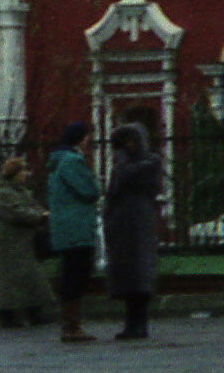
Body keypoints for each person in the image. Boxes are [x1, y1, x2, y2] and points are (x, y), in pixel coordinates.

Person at [101, 123, 162, 341]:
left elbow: (125, 177)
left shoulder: (146, 163)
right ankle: (132, 323)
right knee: (128, 277)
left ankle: (138, 324)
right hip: (123, 228)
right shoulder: (129, 164)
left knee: (138, 277)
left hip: (137, 225)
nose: (128, 147)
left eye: (132, 142)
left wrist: (121, 159)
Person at [46, 123, 100, 343]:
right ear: (79, 138)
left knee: (70, 273)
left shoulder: (57, 162)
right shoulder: (73, 161)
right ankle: (71, 324)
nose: (89, 142)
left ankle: (70, 322)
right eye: (87, 137)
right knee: (77, 275)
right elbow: (90, 191)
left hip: (64, 226)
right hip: (77, 226)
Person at [0, 156, 54, 327]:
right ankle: (10, 313)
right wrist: (40, 216)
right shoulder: (6, 193)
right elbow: (16, 212)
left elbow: (27, 208)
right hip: (12, 242)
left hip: (22, 241)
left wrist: (40, 214)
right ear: (15, 174)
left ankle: (32, 311)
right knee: (13, 279)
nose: (26, 174)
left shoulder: (17, 191)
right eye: (22, 171)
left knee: (30, 276)